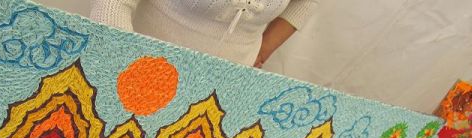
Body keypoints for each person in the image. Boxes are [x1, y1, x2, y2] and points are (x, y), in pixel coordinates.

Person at [90, 0, 318, 67]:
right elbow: (113, 5)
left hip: (225, 93)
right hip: (135, 70)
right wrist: (122, 63)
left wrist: (263, 50)